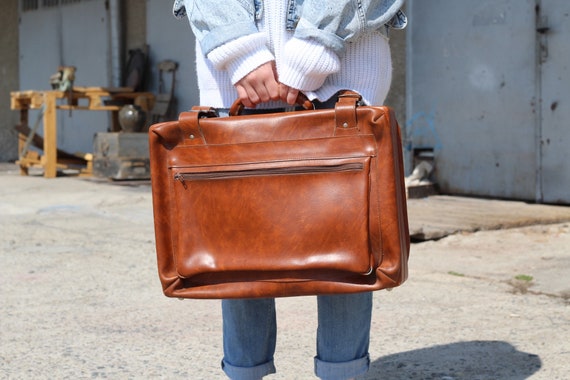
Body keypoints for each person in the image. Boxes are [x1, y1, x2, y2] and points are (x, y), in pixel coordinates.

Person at [172, 1, 406, 379]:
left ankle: (341, 373)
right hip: (234, 73)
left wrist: (315, 47)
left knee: (346, 243)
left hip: (343, 62)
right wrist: (241, 51)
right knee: (238, 243)